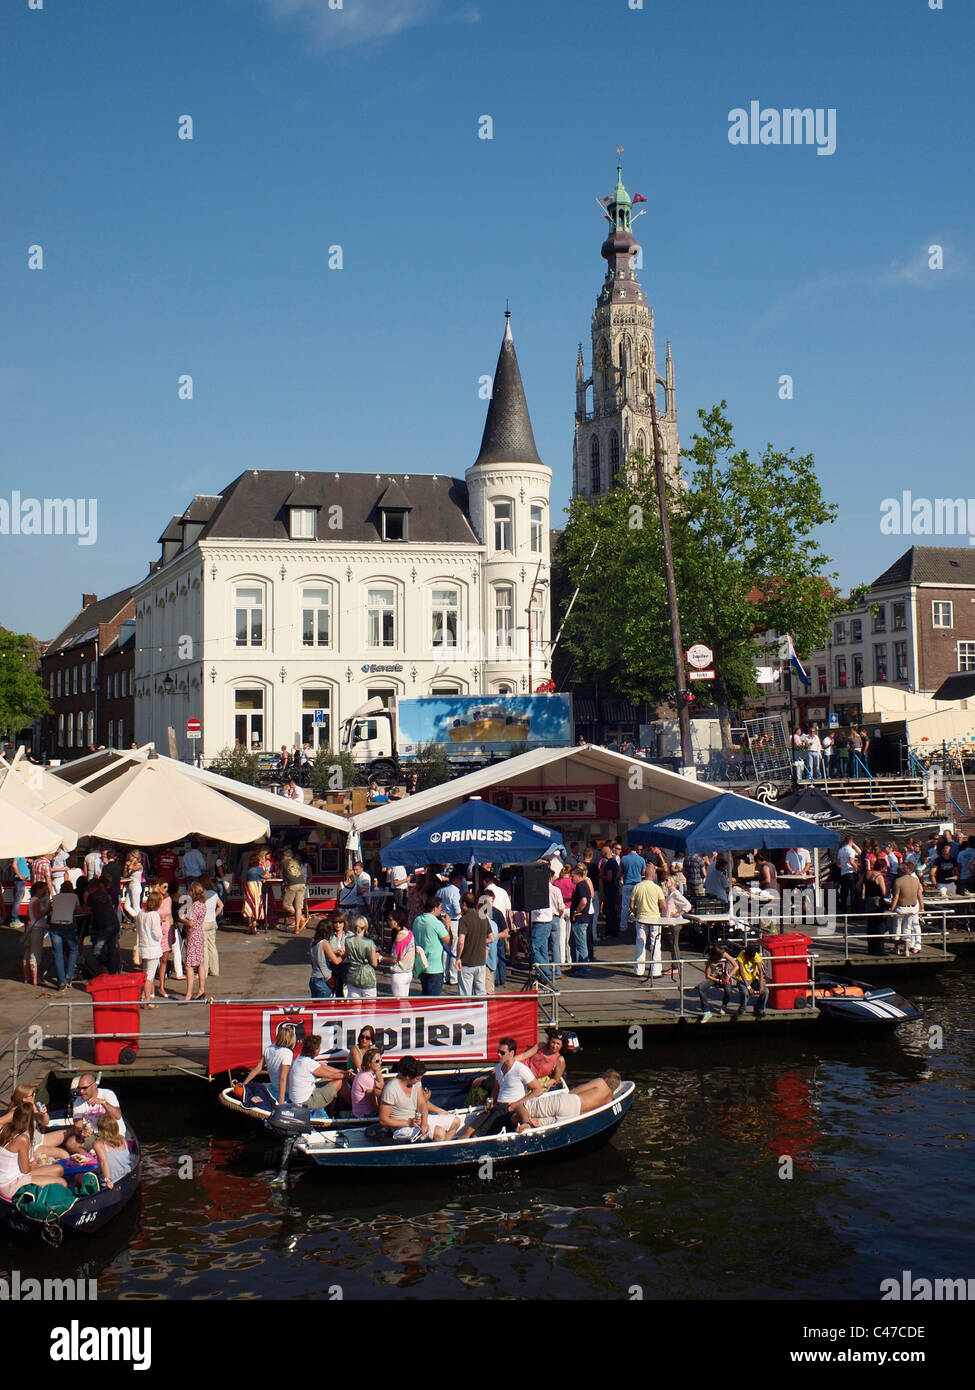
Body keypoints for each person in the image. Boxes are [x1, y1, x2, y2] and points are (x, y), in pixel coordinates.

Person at [458, 1037, 535, 1138]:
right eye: (498, 1051)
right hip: (495, 1106)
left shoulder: (521, 1070)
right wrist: (490, 1102)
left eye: (502, 1052)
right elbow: (496, 1089)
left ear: (511, 1053)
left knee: (476, 1136)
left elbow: (538, 1090)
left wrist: (518, 1103)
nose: (498, 1054)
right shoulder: (498, 1067)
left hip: (507, 1110)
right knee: (467, 1131)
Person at [510, 1070, 623, 1130]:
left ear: (606, 1078)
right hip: (574, 1114)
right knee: (537, 1124)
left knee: (522, 1107)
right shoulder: (609, 1100)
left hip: (570, 1102)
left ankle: (524, 1122)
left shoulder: (601, 1082)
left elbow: (575, 1091)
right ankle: (528, 1124)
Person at [0, 1104, 67, 1199]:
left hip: (14, 1175)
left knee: (59, 1169)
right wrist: (32, 1165)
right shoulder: (22, 1139)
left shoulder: (5, 1129)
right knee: (61, 1183)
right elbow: (26, 1169)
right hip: (11, 1184)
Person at [242, 1022, 297, 1105]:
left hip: (274, 1087)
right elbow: (283, 1078)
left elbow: (257, 1069)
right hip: (285, 1091)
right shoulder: (287, 1053)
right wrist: (281, 1103)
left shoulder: (269, 1048)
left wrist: (244, 1084)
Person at [287, 1034, 345, 1111]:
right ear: (315, 1050)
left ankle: (328, 1110)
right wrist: (347, 1076)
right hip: (306, 1102)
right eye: (319, 1047)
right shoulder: (308, 1063)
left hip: (297, 1099)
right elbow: (331, 1075)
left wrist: (344, 1072)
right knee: (340, 1082)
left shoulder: (300, 1058)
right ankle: (330, 1112)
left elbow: (323, 1067)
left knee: (328, 1080)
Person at [630, 865, 667, 979]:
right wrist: (659, 910)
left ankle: (638, 970)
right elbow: (663, 905)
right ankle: (656, 971)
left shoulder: (637, 887)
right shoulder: (657, 888)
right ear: (654, 875)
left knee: (640, 943)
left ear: (644, 874)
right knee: (655, 944)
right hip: (654, 918)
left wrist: (636, 913)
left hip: (641, 918)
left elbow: (631, 905)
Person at [456, 892, 494, 996]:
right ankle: (480, 1012)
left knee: (465, 995)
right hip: (481, 962)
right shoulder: (483, 917)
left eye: (460, 902)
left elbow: (461, 941)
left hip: (467, 962)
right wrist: (480, 941)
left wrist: (458, 957)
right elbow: (491, 938)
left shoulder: (463, 920)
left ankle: (466, 1011)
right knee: (480, 994)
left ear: (464, 904)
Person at [411, 896, 450, 995]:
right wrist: (447, 924)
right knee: (434, 998)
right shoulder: (436, 923)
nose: (441, 909)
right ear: (434, 908)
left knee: (425, 994)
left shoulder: (417, 920)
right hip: (435, 967)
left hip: (422, 964)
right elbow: (448, 940)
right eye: (440, 907)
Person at [696, 944, 745, 1022]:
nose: (723, 955)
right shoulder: (710, 959)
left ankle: (724, 1005)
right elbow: (707, 975)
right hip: (714, 978)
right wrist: (718, 980)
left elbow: (736, 966)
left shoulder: (725, 955)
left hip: (725, 977)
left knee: (728, 990)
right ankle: (706, 1011)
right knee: (701, 987)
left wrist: (728, 976)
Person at [47, 879, 80, 992]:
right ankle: (69, 975)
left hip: (54, 925)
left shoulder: (55, 897)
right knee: (73, 949)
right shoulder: (74, 897)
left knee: (58, 954)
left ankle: (61, 983)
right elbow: (78, 910)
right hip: (68, 925)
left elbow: (51, 910)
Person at [179, 882, 208, 1002]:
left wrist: (182, 918)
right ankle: (201, 989)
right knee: (200, 964)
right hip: (199, 934)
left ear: (193, 892)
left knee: (189, 965)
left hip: (193, 935)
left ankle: (188, 994)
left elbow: (191, 922)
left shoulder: (194, 906)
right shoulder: (202, 904)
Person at [437, 868, 464, 987]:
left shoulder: (441, 890)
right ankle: (453, 976)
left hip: (443, 920)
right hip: (453, 921)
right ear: (455, 879)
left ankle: (443, 975)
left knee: (445, 949)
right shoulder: (455, 892)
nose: (461, 881)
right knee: (454, 949)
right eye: (459, 879)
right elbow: (458, 910)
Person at [136, 889, 164, 1007]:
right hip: (152, 948)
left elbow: (138, 929)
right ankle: (147, 1000)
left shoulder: (141, 913)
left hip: (143, 947)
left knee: (144, 974)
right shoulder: (154, 915)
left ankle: (143, 997)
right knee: (149, 976)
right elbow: (157, 934)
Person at [890, 861, 924, 956]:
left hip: (901, 907)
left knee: (897, 928)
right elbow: (919, 895)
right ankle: (906, 949)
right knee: (907, 928)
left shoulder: (898, 881)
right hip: (912, 908)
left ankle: (896, 948)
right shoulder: (916, 880)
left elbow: (896, 896)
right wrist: (922, 906)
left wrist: (891, 908)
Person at [344, 915, 380, 1000]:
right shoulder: (369, 942)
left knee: (355, 1009)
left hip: (353, 975)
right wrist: (377, 956)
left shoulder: (348, 940)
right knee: (369, 1009)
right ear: (365, 927)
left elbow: (348, 956)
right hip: (367, 977)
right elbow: (374, 964)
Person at [93, 1115, 132, 1190]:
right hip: (127, 1176)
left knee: (78, 1176)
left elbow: (104, 1163)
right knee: (94, 1171)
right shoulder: (123, 1140)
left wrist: (108, 1180)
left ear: (101, 1130)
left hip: (113, 1181)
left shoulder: (98, 1144)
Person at [308, 916, 344, 998]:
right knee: (324, 1007)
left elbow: (320, 952)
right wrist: (345, 954)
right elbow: (336, 961)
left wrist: (335, 950)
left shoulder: (313, 941)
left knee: (316, 1007)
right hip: (323, 980)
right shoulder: (325, 943)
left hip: (313, 979)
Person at [22, 881, 49, 988]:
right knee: (35, 954)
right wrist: (47, 909)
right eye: (44, 889)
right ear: (38, 889)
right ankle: (35, 979)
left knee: (27, 953)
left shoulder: (31, 900)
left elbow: (28, 916)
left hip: (31, 928)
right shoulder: (37, 900)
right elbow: (38, 915)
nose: (45, 892)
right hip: (37, 929)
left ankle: (27, 977)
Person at [385, 907, 416, 999]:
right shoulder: (409, 932)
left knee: (399, 1003)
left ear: (397, 921)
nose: (389, 922)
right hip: (408, 972)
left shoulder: (400, 936)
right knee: (404, 1003)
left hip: (399, 973)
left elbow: (395, 959)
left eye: (391, 920)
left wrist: (380, 958)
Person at [567, 865, 592, 977]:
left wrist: (576, 911)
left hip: (580, 919)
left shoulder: (581, 885)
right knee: (573, 943)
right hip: (580, 919)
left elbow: (584, 900)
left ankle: (582, 969)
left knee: (581, 944)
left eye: (572, 876)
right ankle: (576, 966)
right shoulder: (582, 885)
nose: (571, 879)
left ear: (578, 876)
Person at [735, 944, 769, 1018]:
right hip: (742, 979)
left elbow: (760, 971)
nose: (751, 959)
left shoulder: (756, 956)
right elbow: (741, 972)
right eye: (750, 958)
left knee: (766, 991)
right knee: (745, 993)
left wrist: (761, 986)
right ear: (746, 955)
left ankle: (759, 1009)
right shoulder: (741, 955)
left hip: (753, 979)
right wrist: (749, 987)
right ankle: (741, 1010)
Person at [619, 843, 647, 932]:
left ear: (629, 849)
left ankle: (623, 925)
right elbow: (643, 872)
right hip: (638, 884)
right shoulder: (641, 859)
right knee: (638, 905)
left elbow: (621, 871)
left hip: (627, 883)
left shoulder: (624, 858)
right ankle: (639, 924)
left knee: (625, 906)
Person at [279, 849, 308, 934]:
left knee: (286, 905)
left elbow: (281, 874)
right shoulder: (296, 862)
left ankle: (302, 918)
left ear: (285, 856)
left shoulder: (283, 862)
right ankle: (297, 928)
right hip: (302, 883)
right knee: (298, 906)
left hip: (293, 884)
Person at [351, 1047, 385, 1118]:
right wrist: (378, 1111)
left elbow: (381, 1087)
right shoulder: (366, 1078)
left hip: (360, 1114)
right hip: (364, 1116)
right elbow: (372, 1095)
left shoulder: (363, 1073)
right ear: (369, 1063)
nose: (380, 1063)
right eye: (377, 1061)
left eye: (381, 1060)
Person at [198, 875, 222, 977]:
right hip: (212, 922)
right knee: (212, 946)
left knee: (204, 947)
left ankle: (205, 970)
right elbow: (221, 905)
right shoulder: (213, 893)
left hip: (203, 922)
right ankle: (215, 970)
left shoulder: (200, 895)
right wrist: (214, 914)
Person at [242, 851, 266, 933]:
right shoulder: (258, 869)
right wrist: (265, 867)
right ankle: (254, 927)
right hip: (255, 888)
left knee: (250, 906)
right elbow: (267, 876)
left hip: (249, 888)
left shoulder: (250, 869)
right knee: (256, 906)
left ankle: (250, 926)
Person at [8, 854, 30, 925]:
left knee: (18, 899)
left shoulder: (21, 854)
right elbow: (14, 864)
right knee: (17, 899)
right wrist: (20, 876)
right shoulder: (18, 853)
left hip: (22, 879)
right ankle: (14, 919)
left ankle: (14, 918)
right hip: (20, 879)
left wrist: (27, 860)